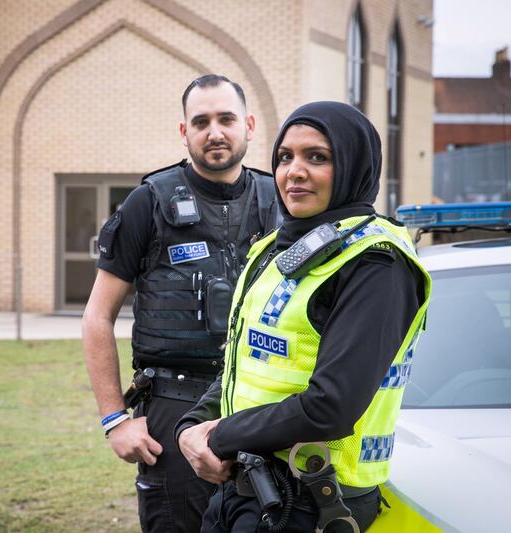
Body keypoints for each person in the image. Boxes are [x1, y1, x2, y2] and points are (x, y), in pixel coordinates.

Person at [175, 101, 432, 532]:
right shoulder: (275, 248)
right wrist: (192, 426)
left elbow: (331, 406)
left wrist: (218, 436)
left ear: (354, 166)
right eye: (284, 157)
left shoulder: (377, 265)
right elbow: (245, 360)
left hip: (307, 504)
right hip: (241, 492)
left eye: (317, 157)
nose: (294, 171)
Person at [82, 74, 280, 533]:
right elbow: (97, 316)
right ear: (184, 132)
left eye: (226, 119)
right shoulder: (147, 203)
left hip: (260, 404)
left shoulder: (280, 202)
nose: (215, 131)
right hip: (172, 407)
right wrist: (115, 420)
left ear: (248, 124)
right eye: (201, 121)